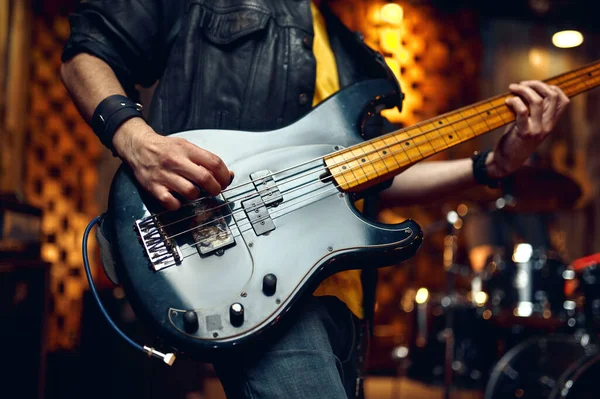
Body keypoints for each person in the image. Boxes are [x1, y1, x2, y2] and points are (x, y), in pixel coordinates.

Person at [60, 0, 570, 398]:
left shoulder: (350, 50)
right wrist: (137, 141)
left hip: (340, 290)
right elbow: (87, 51)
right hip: (244, 265)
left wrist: (493, 166)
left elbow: (377, 177)